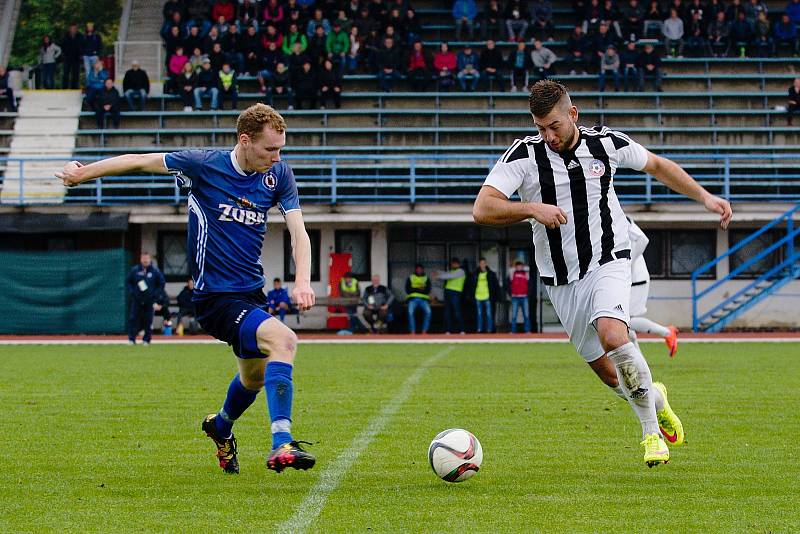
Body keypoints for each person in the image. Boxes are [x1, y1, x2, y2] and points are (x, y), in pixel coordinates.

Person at [472, 79, 732, 466]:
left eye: (554, 126)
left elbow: (659, 166)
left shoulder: (606, 144)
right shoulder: (524, 156)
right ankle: (656, 399)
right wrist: (532, 209)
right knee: (612, 376)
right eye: (540, 127)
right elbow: (482, 209)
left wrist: (706, 197)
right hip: (560, 280)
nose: (548, 135)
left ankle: (650, 435)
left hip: (608, 258)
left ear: (572, 114)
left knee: (614, 332)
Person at [57, 103, 318, 474]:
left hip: (250, 294)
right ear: (245, 140)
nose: (277, 157)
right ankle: (282, 443)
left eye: (281, 150)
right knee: (285, 341)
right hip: (214, 298)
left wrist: (303, 281)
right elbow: (137, 159)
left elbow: (298, 232)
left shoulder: (278, 175)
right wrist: (81, 174)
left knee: (253, 378)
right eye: (270, 149)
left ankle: (221, 426)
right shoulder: (203, 165)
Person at [627, 217, 679, 357]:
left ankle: (667, 333)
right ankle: (638, 362)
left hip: (635, 279)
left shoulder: (620, 218)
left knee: (624, 321)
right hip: (628, 279)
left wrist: (629, 263)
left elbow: (643, 240)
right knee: (624, 323)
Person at [125, 252, 165, 345]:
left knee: (148, 320)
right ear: (140, 259)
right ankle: (131, 339)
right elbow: (128, 282)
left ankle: (146, 340)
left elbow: (161, 283)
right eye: (143, 258)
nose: (145, 260)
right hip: (137, 300)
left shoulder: (155, 271)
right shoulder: (135, 270)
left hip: (149, 300)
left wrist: (155, 294)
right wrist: (132, 292)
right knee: (133, 319)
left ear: (150, 259)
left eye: (147, 258)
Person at [467, 257, 500, 333]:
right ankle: (479, 329)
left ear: (486, 264)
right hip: (478, 296)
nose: (482, 265)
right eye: (481, 263)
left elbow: (496, 286)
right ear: (479, 264)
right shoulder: (475, 274)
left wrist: (497, 296)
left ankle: (489, 329)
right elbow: (471, 285)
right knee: (479, 314)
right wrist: (470, 295)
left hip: (487, 296)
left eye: (484, 263)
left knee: (489, 314)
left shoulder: (491, 274)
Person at [435, 258, 466, 334]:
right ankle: (448, 330)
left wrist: (438, 276)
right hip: (448, 292)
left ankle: (462, 329)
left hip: (456, 293)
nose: (453, 265)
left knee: (457, 312)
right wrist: (437, 272)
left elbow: (450, 276)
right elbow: (446, 273)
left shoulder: (461, 271)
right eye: (452, 264)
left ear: (458, 264)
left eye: (455, 264)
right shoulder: (452, 271)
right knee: (447, 312)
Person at [405, 264, 431, 334]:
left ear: (423, 270)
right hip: (413, 299)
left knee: (428, 312)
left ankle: (424, 331)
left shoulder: (426, 278)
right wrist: (419, 289)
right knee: (410, 312)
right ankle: (412, 331)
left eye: (420, 269)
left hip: (423, 299)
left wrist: (415, 289)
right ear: (415, 270)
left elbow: (427, 290)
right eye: (417, 269)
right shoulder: (411, 277)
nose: (419, 270)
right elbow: (408, 290)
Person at [508, 260, 531, 333]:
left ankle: (527, 330)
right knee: (514, 315)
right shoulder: (512, 274)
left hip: (524, 297)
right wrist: (510, 294)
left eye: (520, 266)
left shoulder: (526, 274)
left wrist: (528, 294)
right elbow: (508, 284)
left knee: (526, 315)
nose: (519, 267)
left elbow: (530, 284)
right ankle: (513, 331)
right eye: (517, 266)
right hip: (515, 297)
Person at [60, 23, 83, 89]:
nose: (73, 30)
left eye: (75, 29)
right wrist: (63, 54)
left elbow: (83, 46)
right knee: (65, 73)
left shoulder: (80, 36)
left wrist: (81, 54)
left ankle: (74, 88)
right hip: (67, 57)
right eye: (72, 28)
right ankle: (64, 88)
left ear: (77, 29)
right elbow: (61, 45)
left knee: (75, 74)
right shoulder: (65, 36)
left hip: (76, 58)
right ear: (69, 29)